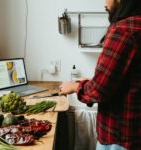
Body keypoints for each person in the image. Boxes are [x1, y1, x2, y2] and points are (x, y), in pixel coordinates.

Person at [59, 0, 141, 149]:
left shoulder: (123, 30)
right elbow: (132, 80)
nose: (104, 2)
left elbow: (99, 90)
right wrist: (91, 81)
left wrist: (73, 87)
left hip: (120, 137)